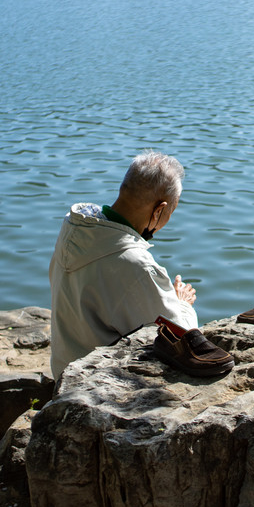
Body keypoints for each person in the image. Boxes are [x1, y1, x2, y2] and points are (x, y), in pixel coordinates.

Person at [48, 150, 199, 379]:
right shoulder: (135, 265)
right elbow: (182, 337)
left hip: (62, 370)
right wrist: (182, 304)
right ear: (159, 210)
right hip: (96, 382)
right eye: (171, 212)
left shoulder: (74, 226)